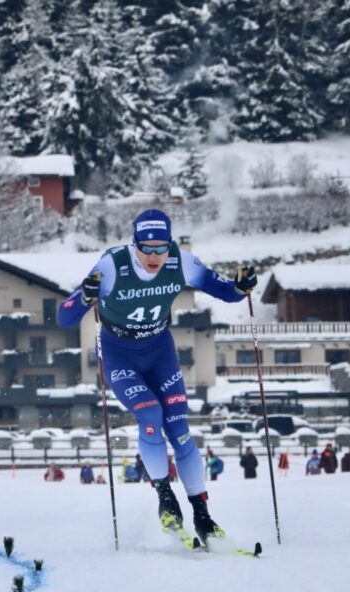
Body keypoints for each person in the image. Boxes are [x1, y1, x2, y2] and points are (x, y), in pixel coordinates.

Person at [57, 208, 258, 544]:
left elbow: (222, 289)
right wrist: (84, 297)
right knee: (151, 416)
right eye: (145, 248)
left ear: (169, 244)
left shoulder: (180, 262)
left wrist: (240, 287)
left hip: (160, 353)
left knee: (179, 430)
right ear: (134, 245)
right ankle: (166, 499)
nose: (153, 256)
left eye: (160, 247)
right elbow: (65, 317)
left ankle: (203, 515)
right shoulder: (111, 265)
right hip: (121, 356)